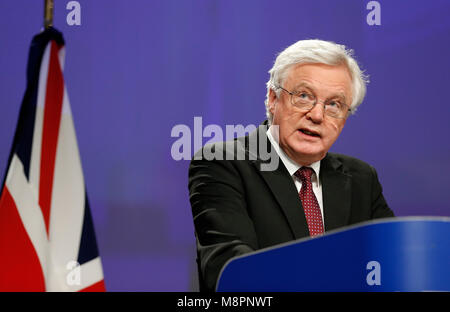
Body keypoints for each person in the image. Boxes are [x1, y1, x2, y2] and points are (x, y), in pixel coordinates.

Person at [188, 39, 395, 292]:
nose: (317, 115)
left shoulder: (362, 178)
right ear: (273, 99)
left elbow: (394, 263)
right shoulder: (223, 164)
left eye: (333, 104)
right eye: (304, 96)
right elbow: (236, 271)